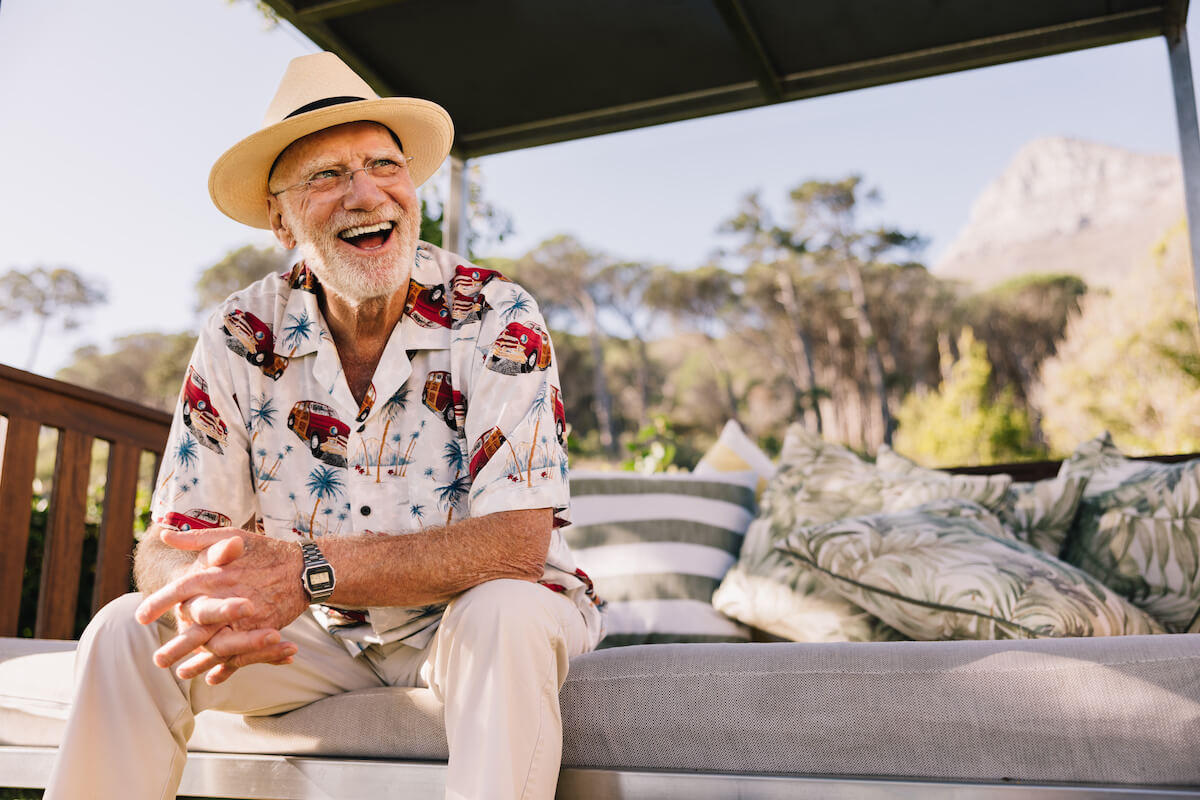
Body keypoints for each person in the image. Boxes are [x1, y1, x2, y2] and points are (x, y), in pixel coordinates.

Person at [45, 51, 604, 800]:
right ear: (280, 220)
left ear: (412, 188)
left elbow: (515, 546)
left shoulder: (499, 315)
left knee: (506, 612)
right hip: (321, 638)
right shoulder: (240, 331)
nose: (365, 193)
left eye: (383, 165)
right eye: (327, 176)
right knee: (124, 633)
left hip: (467, 620)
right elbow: (175, 542)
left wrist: (306, 570)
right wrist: (211, 597)